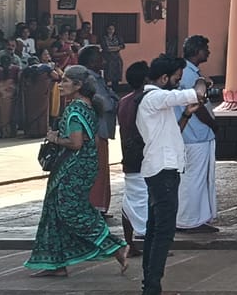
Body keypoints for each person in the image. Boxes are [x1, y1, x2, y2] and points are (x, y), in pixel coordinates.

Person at [25, 69, 130, 277]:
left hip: (73, 168)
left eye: (65, 81)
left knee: (71, 211)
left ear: (78, 85)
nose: (60, 84)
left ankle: (115, 246)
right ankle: (56, 263)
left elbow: (75, 143)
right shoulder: (88, 107)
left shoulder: (75, 110)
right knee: (56, 211)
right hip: (82, 167)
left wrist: (55, 139)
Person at [136, 56, 198, 295]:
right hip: (162, 172)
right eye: (176, 79)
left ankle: (152, 286)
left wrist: (186, 114)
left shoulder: (155, 104)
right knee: (162, 232)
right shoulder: (153, 98)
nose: (177, 84)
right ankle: (152, 293)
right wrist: (198, 87)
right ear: (163, 79)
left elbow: (174, 131)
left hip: (163, 169)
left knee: (155, 230)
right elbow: (185, 95)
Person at [64, 54, 118, 216]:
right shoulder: (89, 83)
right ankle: (94, 205)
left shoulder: (94, 81)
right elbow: (107, 103)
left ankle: (96, 205)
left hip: (97, 133)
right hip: (97, 134)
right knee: (97, 170)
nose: (103, 59)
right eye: (98, 56)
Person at [175, 36, 219, 233]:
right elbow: (197, 106)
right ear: (196, 50)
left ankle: (196, 217)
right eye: (205, 49)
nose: (208, 52)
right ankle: (189, 220)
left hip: (195, 134)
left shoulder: (188, 72)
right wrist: (212, 123)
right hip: (195, 135)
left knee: (197, 177)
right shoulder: (188, 75)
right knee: (194, 178)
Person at [116, 62, 150, 247]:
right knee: (147, 200)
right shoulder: (144, 100)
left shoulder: (124, 101)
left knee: (129, 201)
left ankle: (129, 243)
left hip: (128, 154)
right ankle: (148, 241)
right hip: (143, 155)